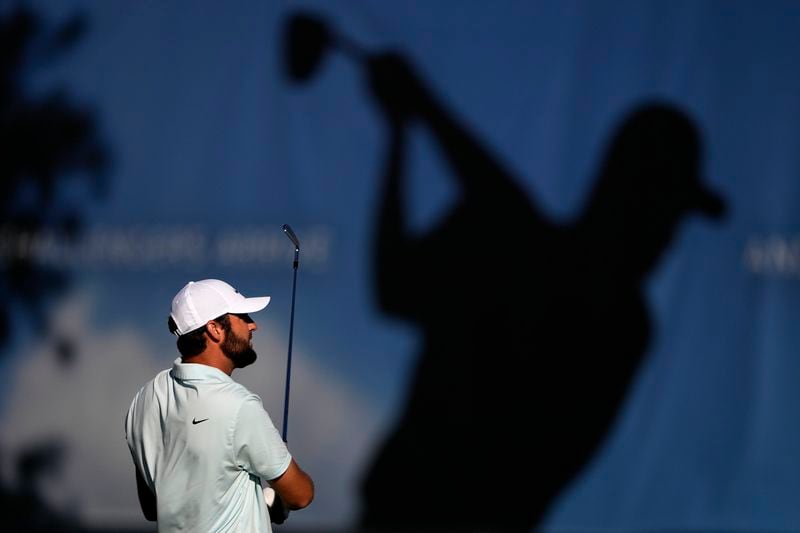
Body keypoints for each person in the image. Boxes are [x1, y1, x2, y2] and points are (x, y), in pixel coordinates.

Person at [125, 279, 314, 532]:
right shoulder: (239, 405)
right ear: (214, 329)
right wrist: (278, 498)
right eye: (242, 317)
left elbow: (152, 507)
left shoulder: (143, 400)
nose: (253, 325)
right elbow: (301, 494)